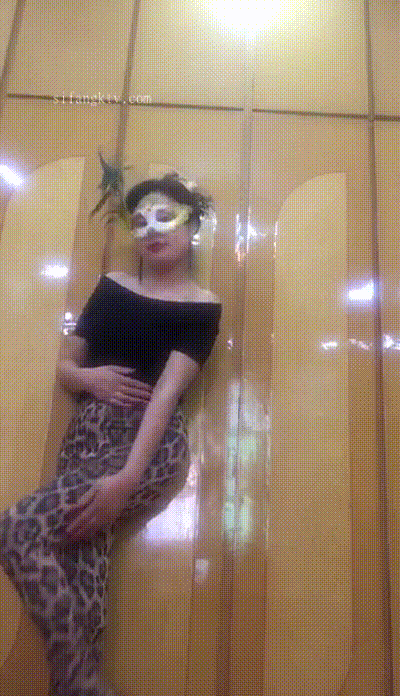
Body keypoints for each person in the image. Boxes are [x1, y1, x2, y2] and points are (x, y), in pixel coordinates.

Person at [0, 173, 222, 696]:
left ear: (191, 226)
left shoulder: (202, 305)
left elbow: (166, 396)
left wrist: (127, 478)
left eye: (164, 217)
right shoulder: (111, 287)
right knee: (83, 571)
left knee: (17, 530)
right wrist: (88, 378)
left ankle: (79, 679)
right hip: (86, 437)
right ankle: (82, 684)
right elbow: (66, 365)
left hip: (147, 445)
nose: (151, 229)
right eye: (139, 221)